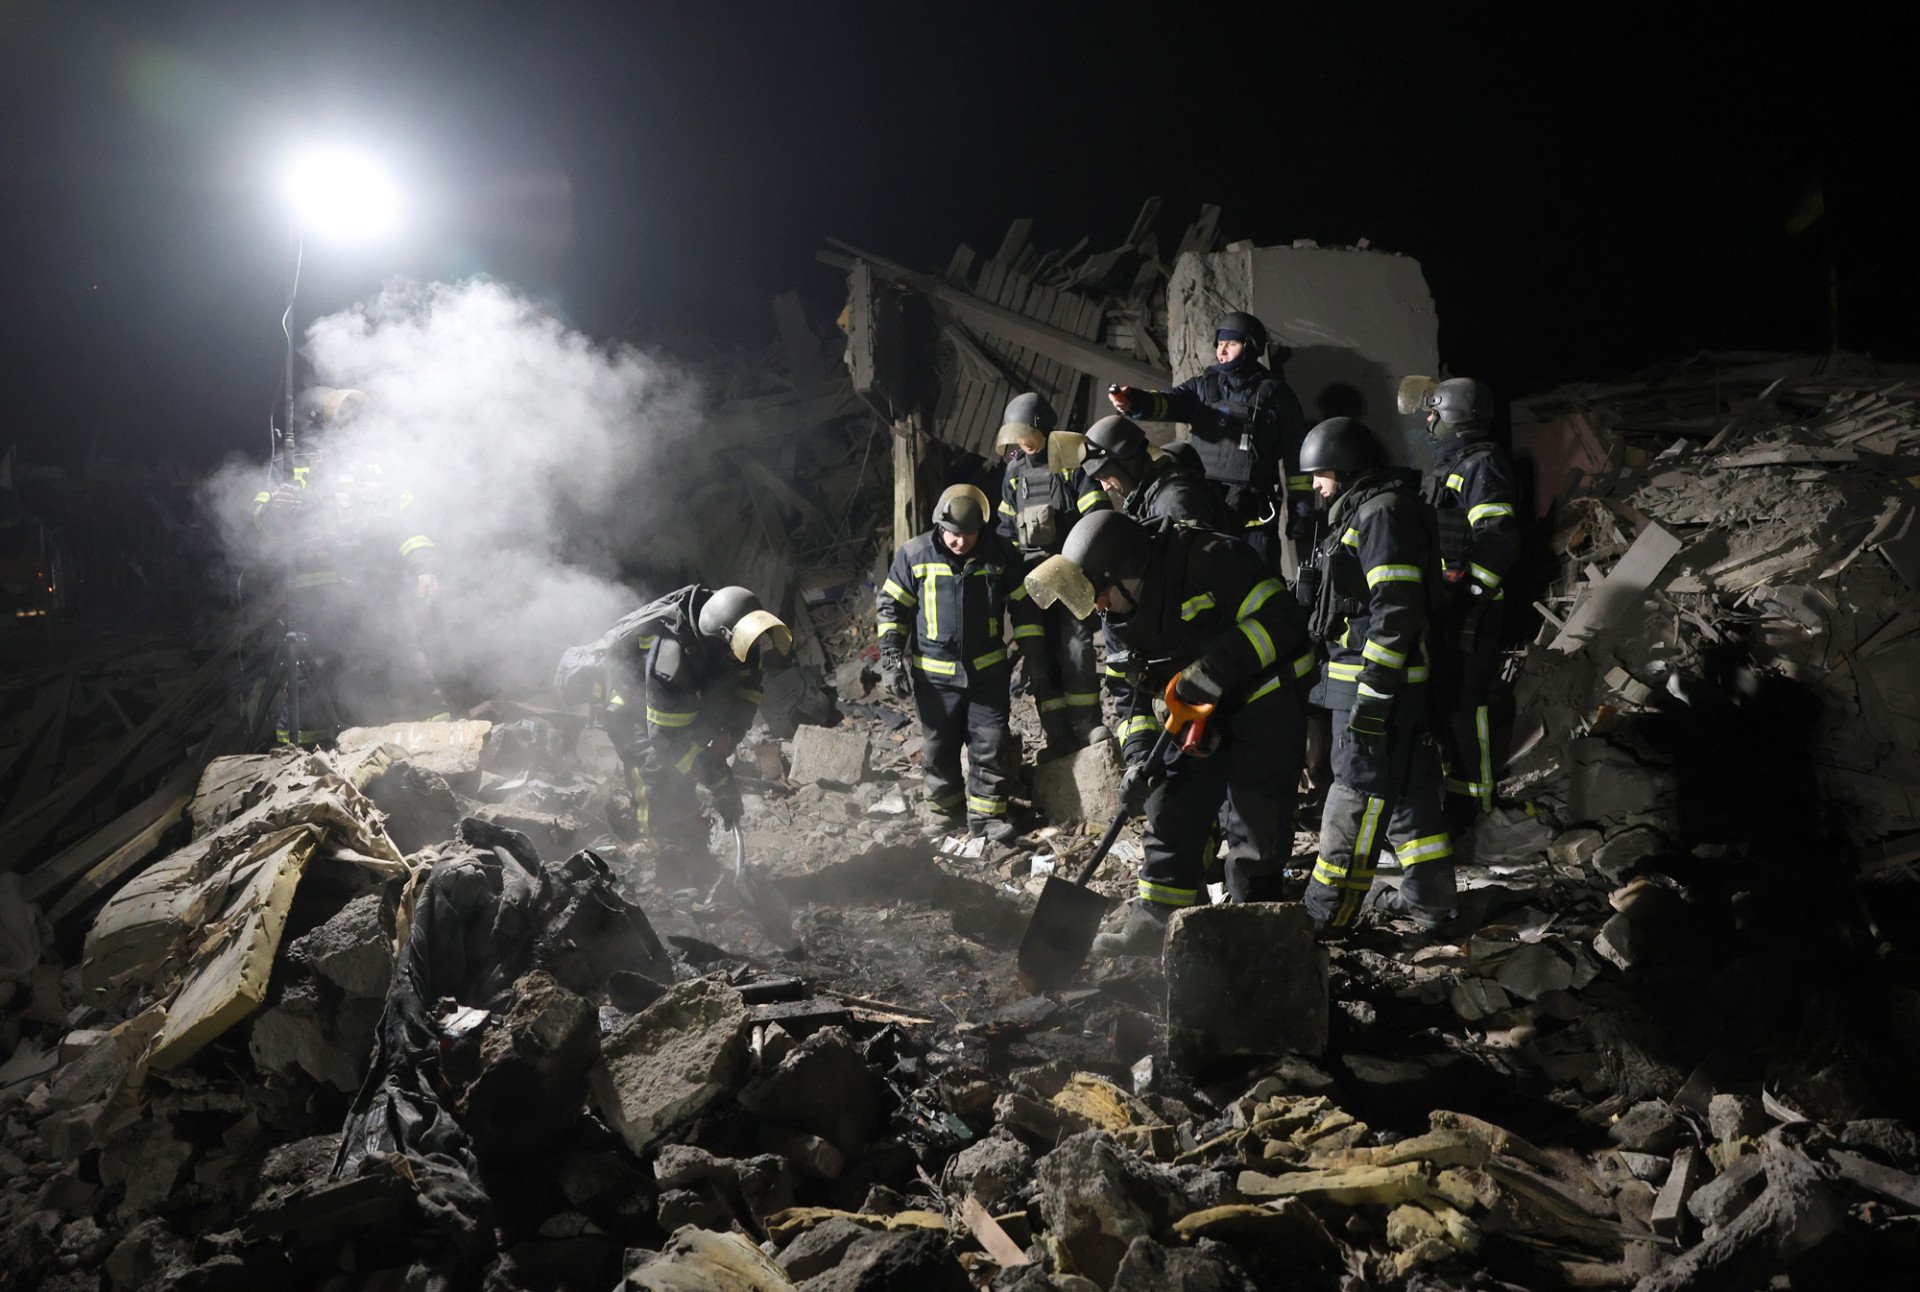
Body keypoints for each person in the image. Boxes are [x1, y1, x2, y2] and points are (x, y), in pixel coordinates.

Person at [1025, 511, 1314, 956]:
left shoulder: (1212, 560)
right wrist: (1140, 756)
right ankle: (1155, 927)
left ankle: (1252, 939)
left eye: (1099, 594)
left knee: (1256, 832)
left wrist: (1218, 667)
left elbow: (1285, 621)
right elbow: (1129, 696)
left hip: (1265, 704)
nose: (1098, 607)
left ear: (1124, 575)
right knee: (1168, 812)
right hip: (1195, 717)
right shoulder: (1116, 616)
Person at [1293, 417, 1455, 933]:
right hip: (1370, 682)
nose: (1316, 486)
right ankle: (1430, 904)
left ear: (1345, 469)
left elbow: (1396, 611)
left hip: (1376, 687)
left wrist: (1373, 696)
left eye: (1320, 474)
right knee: (1408, 795)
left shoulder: (1382, 513)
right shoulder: (1363, 512)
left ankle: (1326, 914)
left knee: (1354, 795)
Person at [251, 387, 445, 745]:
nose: (351, 425)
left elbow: (411, 526)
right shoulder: (288, 467)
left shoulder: (378, 471)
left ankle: (442, 743)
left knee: (408, 665)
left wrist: (425, 568)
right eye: (343, 417)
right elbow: (259, 523)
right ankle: (302, 767)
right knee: (310, 683)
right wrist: (275, 509)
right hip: (316, 600)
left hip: (378, 590)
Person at [600, 584, 792, 889]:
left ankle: (688, 845)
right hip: (632, 708)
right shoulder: (672, 659)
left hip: (682, 701)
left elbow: (749, 688)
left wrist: (731, 732)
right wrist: (718, 778)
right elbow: (666, 742)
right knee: (659, 772)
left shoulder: (741, 639)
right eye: (735, 650)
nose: (743, 653)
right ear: (718, 639)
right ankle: (655, 852)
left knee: (687, 766)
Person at [879, 483, 1038, 842]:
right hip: (934, 678)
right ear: (940, 525)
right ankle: (946, 811)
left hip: (987, 674)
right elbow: (892, 607)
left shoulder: (1000, 554)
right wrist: (890, 657)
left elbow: (1024, 605)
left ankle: (986, 818)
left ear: (982, 528)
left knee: (992, 742)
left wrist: (1033, 653)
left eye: (968, 534)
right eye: (953, 534)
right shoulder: (914, 555)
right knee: (938, 747)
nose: (960, 542)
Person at [1408, 377, 1521, 830]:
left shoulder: (1483, 464)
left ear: (1453, 416)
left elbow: (1498, 537)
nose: (1428, 420)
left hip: (1472, 607)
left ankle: (1478, 810)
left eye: (1433, 413)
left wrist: (1473, 592)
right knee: (1444, 702)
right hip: (1447, 604)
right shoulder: (1450, 465)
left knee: (1467, 706)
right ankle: (1452, 803)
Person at [1107, 311, 1307, 565]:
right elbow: (1169, 403)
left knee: (1261, 581)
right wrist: (1134, 401)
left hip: (1254, 517)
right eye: (1220, 344)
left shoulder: (1275, 395)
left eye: (1231, 344)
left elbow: (1296, 457)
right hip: (1208, 510)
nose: (1221, 351)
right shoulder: (1203, 387)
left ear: (1251, 346)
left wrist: (1301, 513)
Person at [994, 393, 1108, 754]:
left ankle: (1088, 726)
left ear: (1043, 426)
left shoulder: (1071, 462)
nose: (1023, 443)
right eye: (1017, 437)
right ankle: (1056, 735)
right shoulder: (1014, 472)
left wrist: (1094, 570)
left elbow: (1096, 519)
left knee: (1076, 649)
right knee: (1037, 657)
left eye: (1028, 434)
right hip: (1029, 579)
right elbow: (1005, 527)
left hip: (1068, 571)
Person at [1078, 414, 1236, 531]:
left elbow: (1199, 567)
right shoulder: (1150, 495)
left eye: (1105, 476)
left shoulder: (1172, 501)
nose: (1105, 487)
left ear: (1125, 464)